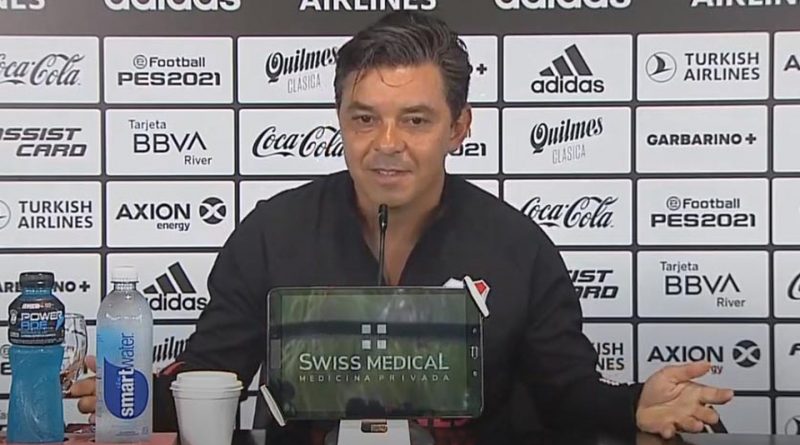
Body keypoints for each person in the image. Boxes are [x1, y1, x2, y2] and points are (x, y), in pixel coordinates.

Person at [71, 10, 733, 439]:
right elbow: (214, 378)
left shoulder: (517, 245)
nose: (387, 144)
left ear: (459, 127)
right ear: (340, 120)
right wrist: (135, 396)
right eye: (365, 118)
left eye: (415, 120)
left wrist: (634, 404)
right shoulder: (272, 231)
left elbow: (568, 396)